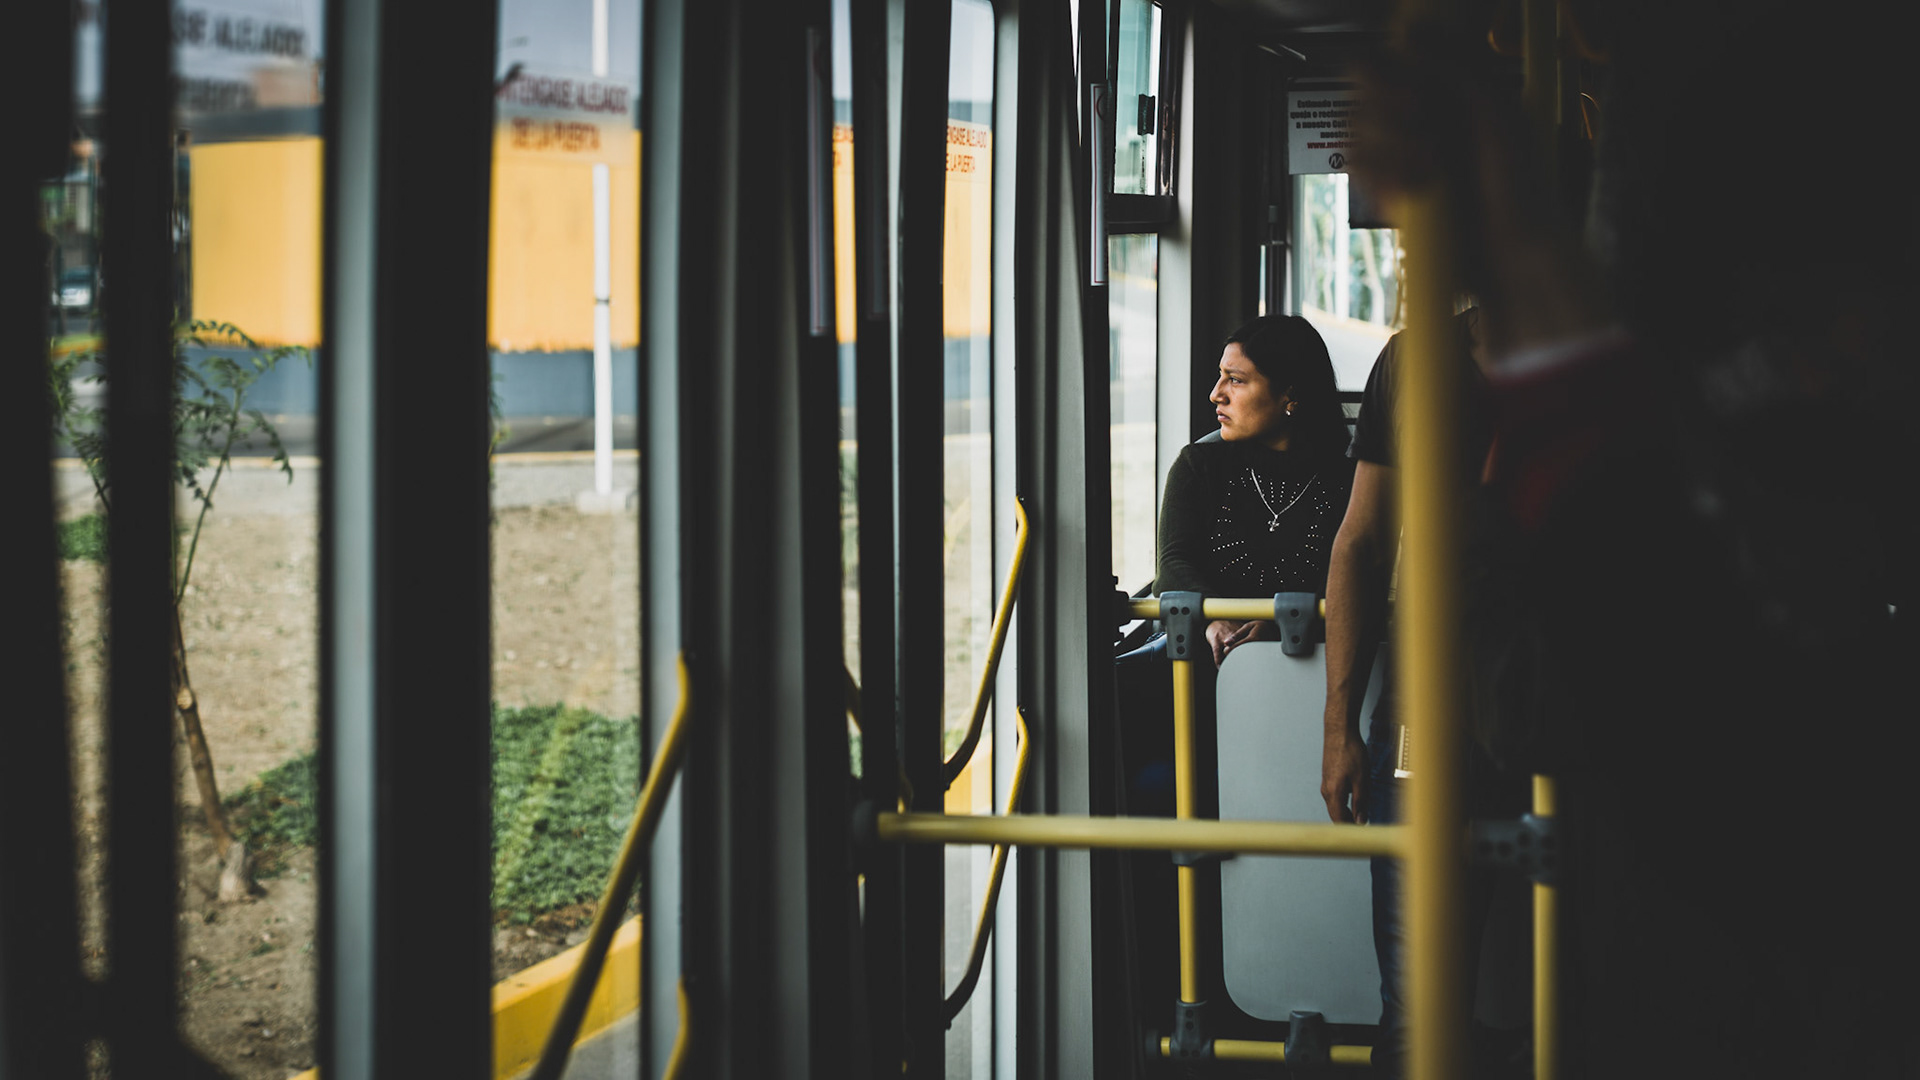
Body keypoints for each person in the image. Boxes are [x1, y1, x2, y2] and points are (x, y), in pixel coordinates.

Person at [1154, 315, 1355, 668]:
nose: (1216, 393)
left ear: (1289, 395)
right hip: (1203, 666)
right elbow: (1172, 564)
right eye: (1221, 377)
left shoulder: (1348, 481)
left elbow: (1352, 578)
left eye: (1236, 380)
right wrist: (1215, 621)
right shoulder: (1197, 467)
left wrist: (1282, 629)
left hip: (1317, 665)